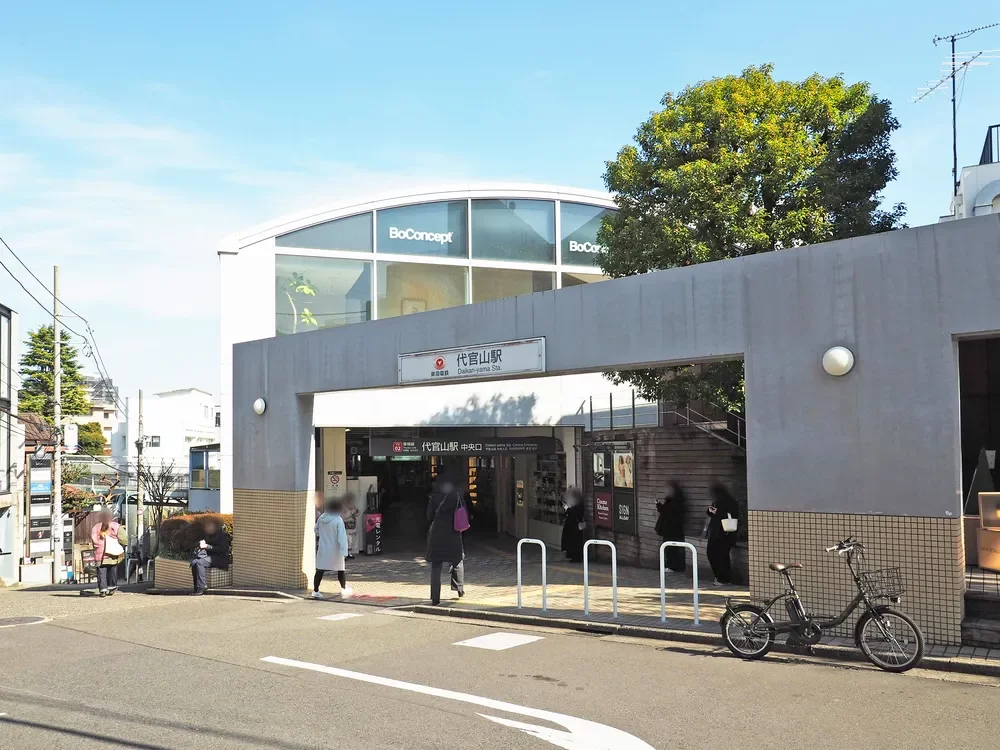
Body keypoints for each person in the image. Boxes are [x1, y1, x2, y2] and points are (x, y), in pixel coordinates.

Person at [425, 474, 465, 605]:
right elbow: (464, 512)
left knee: (436, 565)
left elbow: (429, 516)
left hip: (437, 534)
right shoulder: (456, 496)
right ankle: (459, 589)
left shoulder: (433, 497)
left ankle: (435, 597)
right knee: (457, 560)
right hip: (453, 533)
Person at [312, 499, 352, 600]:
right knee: (340, 570)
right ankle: (343, 588)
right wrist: (344, 551)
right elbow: (342, 537)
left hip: (323, 548)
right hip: (335, 550)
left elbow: (316, 529)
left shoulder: (321, 518)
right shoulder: (338, 520)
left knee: (320, 570)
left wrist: (322, 535)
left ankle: (315, 591)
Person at [706, 483, 740, 586]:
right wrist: (710, 511)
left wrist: (718, 512)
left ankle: (723, 578)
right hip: (718, 533)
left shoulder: (730, 502)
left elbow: (732, 515)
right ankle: (721, 577)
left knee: (721, 556)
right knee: (717, 555)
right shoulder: (718, 501)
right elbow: (713, 514)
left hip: (724, 534)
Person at [91, 505, 126, 597]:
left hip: (99, 555)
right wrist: (121, 545)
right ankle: (111, 587)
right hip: (112, 554)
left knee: (101, 572)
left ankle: (103, 589)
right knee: (112, 570)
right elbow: (124, 539)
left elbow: (93, 541)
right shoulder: (116, 526)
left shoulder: (96, 527)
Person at [190, 518, 231, 595]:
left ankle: (202, 586)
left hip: (221, 558)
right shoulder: (209, 534)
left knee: (199, 563)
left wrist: (207, 546)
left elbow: (223, 549)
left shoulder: (223, 535)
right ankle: (196, 587)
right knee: (194, 562)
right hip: (210, 557)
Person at [655, 482, 687, 573]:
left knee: (670, 548)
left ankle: (672, 566)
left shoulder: (673, 501)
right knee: (672, 548)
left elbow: (666, 512)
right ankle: (674, 565)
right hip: (674, 528)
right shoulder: (678, 501)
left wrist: (659, 505)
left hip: (670, 528)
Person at [560, 488, 586, 563]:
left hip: (575, 528)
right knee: (572, 542)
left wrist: (567, 509)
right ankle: (572, 556)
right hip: (572, 527)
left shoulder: (578, 506)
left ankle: (576, 557)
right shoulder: (576, 504)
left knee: (575, 542)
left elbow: (574, 514)